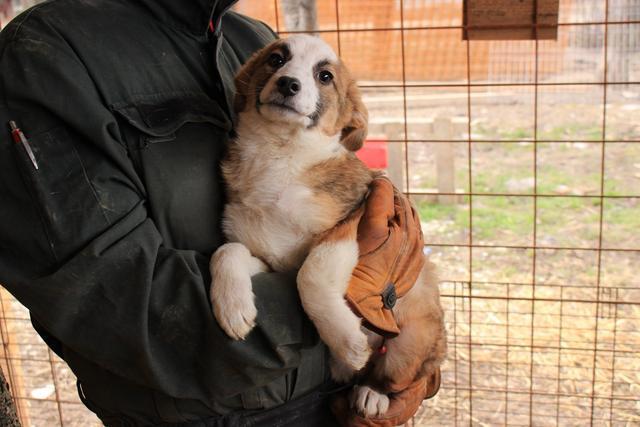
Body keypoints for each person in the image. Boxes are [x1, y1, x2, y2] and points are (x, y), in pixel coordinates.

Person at [0, 1, 434, 425]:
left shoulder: (251, 37)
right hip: (203, 409)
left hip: (337, 395)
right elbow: (108, 297)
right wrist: (335, 305)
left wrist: (413, 365)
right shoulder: (53, 49)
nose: (289, 77)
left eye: (320, 77)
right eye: (280, 65)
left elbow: (385, 256)